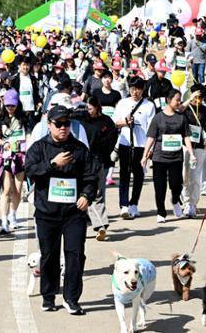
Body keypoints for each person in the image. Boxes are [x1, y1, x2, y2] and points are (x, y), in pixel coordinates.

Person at [25, 105, 98, 315]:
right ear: (49, 125)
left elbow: (91, 176)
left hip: (74, 213)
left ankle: (71, 298)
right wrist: (52, 164)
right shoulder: (39, 148)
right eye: (59, 124)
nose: (64, 128)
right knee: (49, 255)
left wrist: (87, 196)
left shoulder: (79, 149)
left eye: (67, 124)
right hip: (47, 212)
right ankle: (48, 296)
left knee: (75, 254)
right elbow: (30, 171)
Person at [141, 89, 195, 222]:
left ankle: (175, 200)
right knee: (160, 187)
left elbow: (186, 137)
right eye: (177, 99)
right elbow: (151, 138)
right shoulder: (158, 117)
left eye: (180, 99)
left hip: (176, 157)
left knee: (176, 184)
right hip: (159, 157)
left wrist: (192, 153)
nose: (179, 102)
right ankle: (161, 212)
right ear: (169, 100)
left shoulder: (181, 118)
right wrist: (144, 156)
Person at [113, 76, 155, 219]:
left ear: (142, 89)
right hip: (125, 143)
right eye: (132, 89)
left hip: (141, 145)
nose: (134, 92)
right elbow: (115, 122)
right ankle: (123, 205)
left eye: (137, 89)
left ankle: (134, 204)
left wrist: (150, 149)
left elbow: (151, 129)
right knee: (124, 174)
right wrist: (125, 121)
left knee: (138, 175)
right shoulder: (122, 103)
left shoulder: (149, 105)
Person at [0, 89, 33, 234]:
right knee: (6, 190)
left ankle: (13, 216)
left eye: (13, 105)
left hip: (21, 156)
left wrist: (27, 149)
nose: (10, 108)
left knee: (18, 189)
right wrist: (4, 143)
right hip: (6, 157)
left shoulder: (25, 117)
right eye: (8, 105)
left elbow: (28, 134)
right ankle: (4, 221)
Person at [84, 96, 118, 239]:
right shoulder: (82, 120)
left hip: (100, 161)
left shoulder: (106, 121)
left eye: (90, 108)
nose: (88, 111)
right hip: (84, 161)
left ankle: (100, 225)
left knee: (98, 193)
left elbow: (112, 139)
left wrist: (101, 146)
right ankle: (96, 223)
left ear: (97, 107)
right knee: (85, 194)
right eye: (86, 108)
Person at [179, 84, 206, 218]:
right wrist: (189, 99)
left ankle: (192, 203)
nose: (197, 99)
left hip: (198, 146)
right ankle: (185, 198)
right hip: (185, 146)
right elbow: (178, 110)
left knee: (195, 176)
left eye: (200, 97)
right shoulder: (185, 108)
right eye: (196, 96)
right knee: (184, 175)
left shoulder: (204, 110)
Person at [11, 56, 41, 125]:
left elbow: (36, 93)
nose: (26, 67)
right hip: (19, 110)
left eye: (27, 65)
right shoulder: (15, 79)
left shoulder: (33, 78)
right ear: (19, 66)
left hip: (31, 109)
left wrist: (38, 102)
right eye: (24, 65)